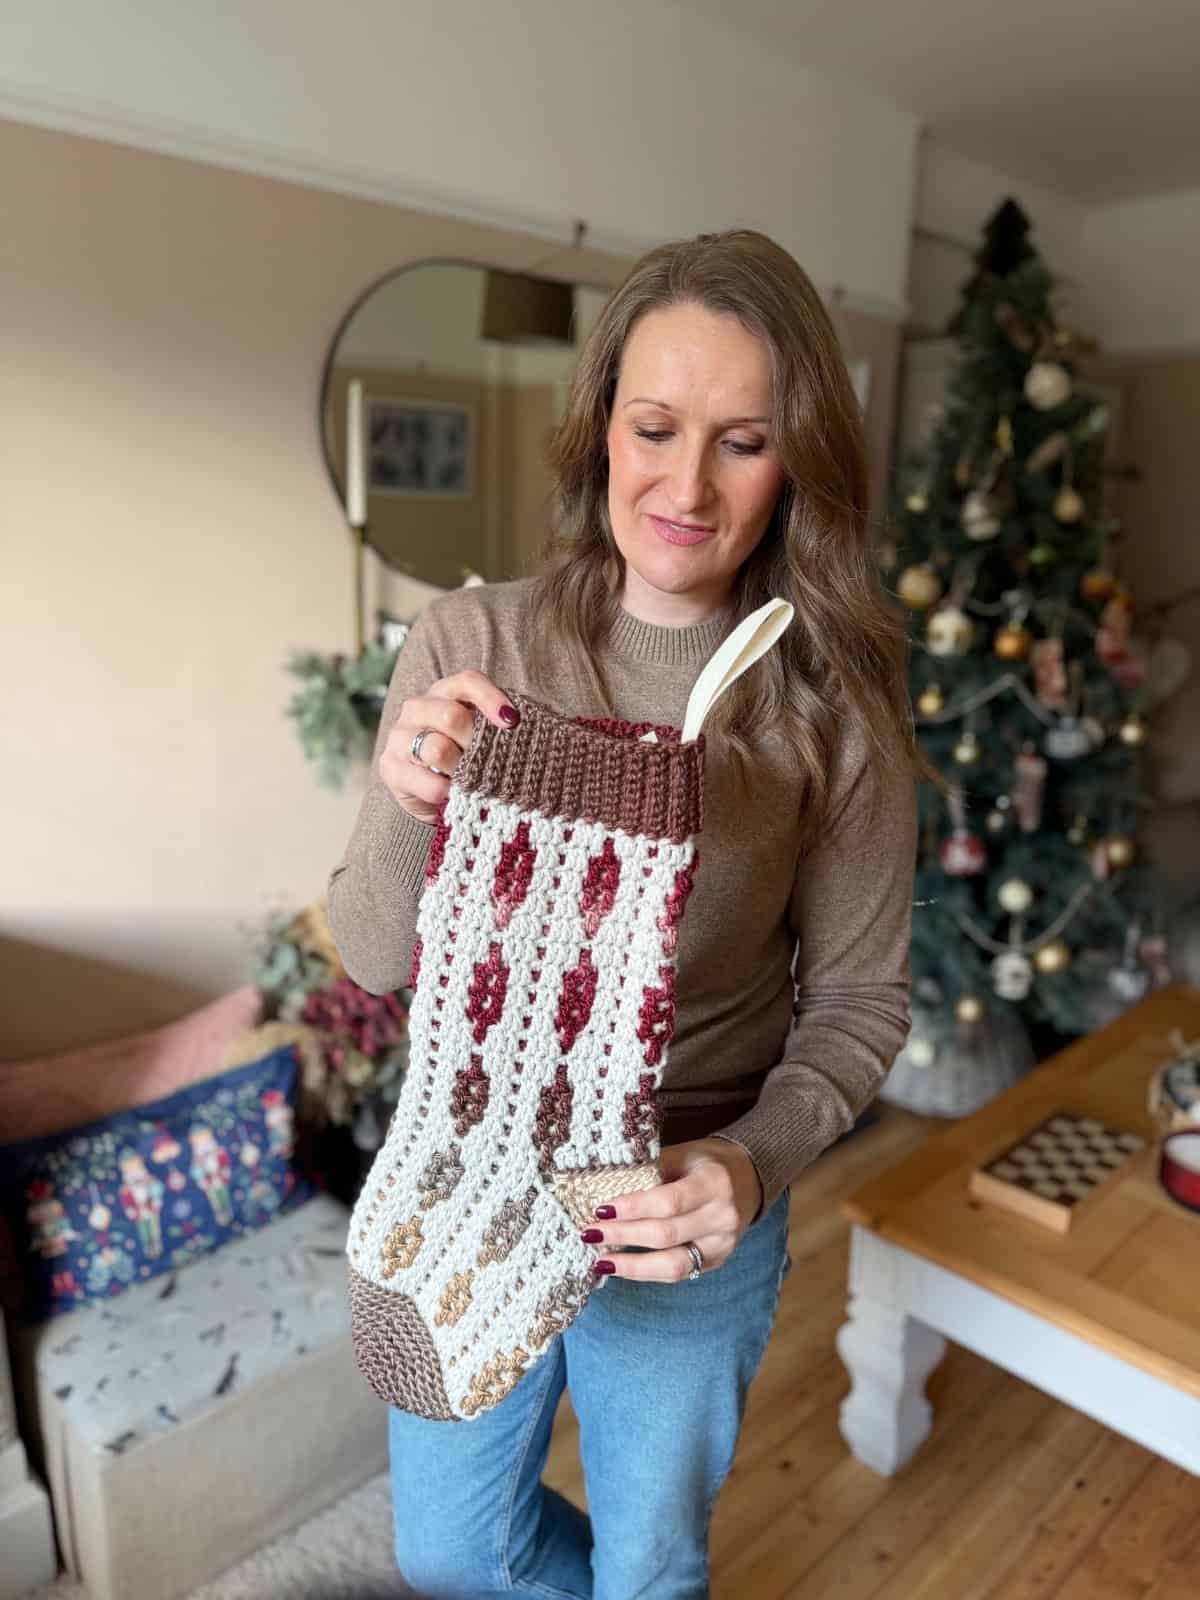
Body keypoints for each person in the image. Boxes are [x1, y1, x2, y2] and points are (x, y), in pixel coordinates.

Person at [328, 228, 922, 1599]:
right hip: (472, 1176)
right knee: (449, 1553)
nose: (687, 486)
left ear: (798, 463)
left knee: (651, 1561)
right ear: (602, 425)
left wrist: (754, 1164)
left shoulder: (828, 706)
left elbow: (857, 1001)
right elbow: (369, 954)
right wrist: (410, 799)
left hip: (681, 1190)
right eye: (655, 427)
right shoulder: (477, 647)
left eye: (744, 441)